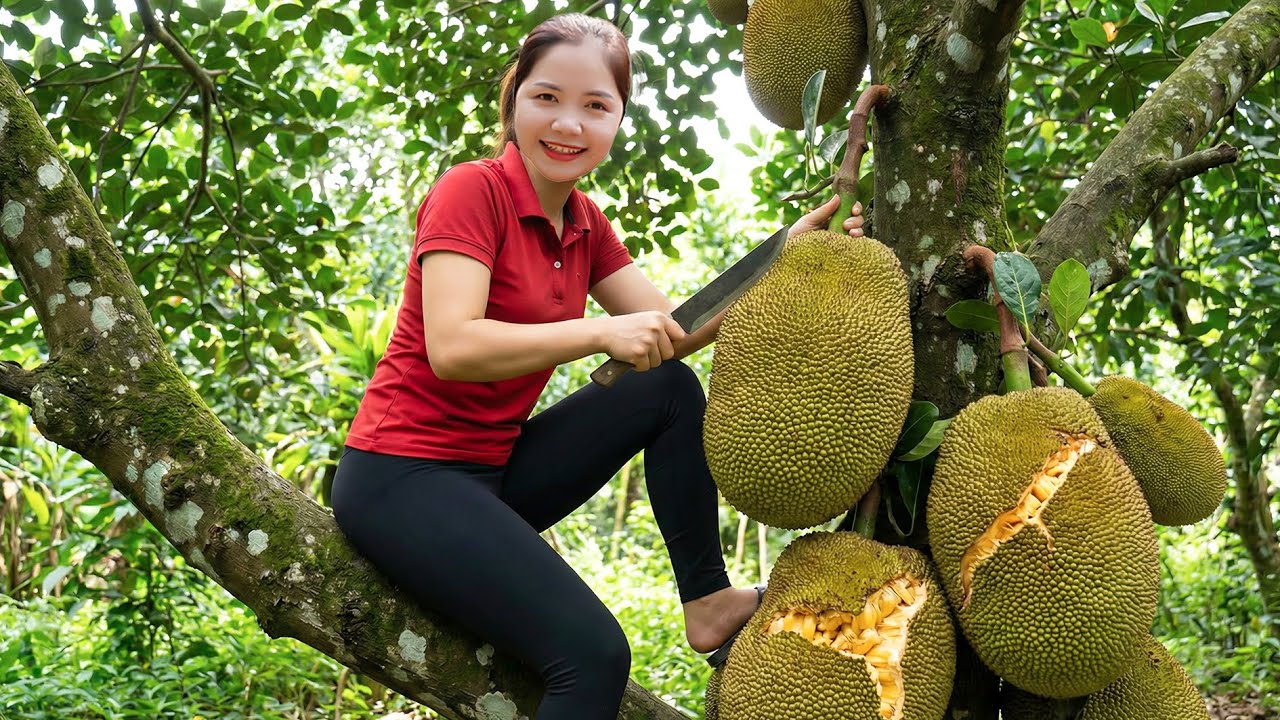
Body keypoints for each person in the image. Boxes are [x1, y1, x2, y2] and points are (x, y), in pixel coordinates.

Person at [330, 12, 865, 719]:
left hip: (493, 476)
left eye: (596, 106)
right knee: (594, 657)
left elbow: (675, 332)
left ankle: (706, 601)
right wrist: (596, 332)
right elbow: (452, 346)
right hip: (402, 477)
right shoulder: (473, 190)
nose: (569, 124)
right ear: (515, 97)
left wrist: (788, 250)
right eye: (547, 97)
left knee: (666, 386)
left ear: (616, 121)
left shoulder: (583, 221)